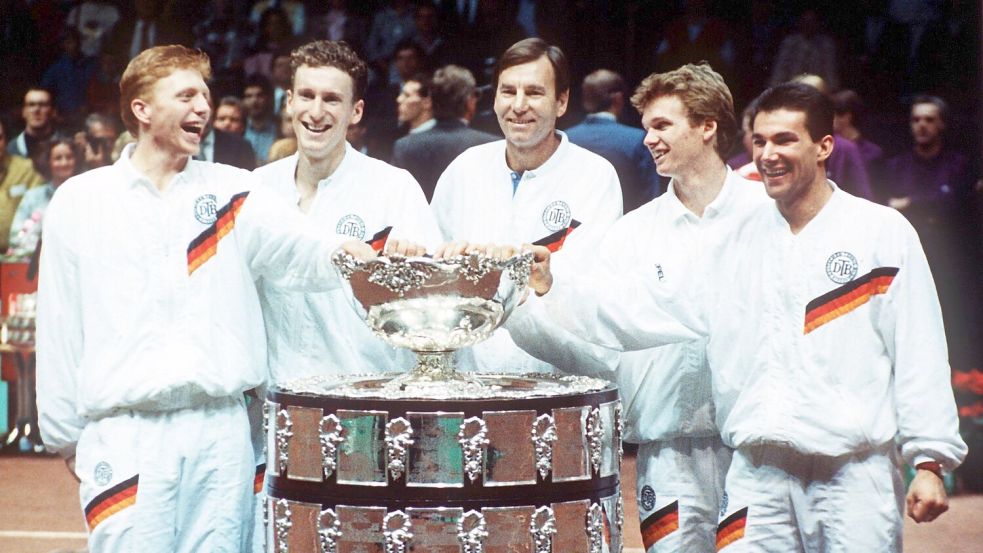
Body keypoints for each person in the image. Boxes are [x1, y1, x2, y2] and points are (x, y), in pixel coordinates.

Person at [524, 83, 967, 551]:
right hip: (757, 473)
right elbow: (647, 310)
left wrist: (929, 460)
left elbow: (920, 349)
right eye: (760, 141)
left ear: (824, 147)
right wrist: (555, 287)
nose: (769, 154)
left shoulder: (880, 232)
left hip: (855, 474)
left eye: (785, 140)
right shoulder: (734, 239)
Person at [35, 44, 374, 553]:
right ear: (142, 109)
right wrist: (65, 436)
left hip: (220, 431)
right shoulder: (82, 201)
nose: (203, 107)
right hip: (125, 433)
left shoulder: (234, 193)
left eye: (206, 95)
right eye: (187, 94)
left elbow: (302, 250)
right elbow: (59, 324)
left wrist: (351, 254)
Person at [504, 62, 767, 553]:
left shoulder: (767, 217)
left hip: (755, 452)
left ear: (708, 126)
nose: (648, 139)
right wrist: (533, 303)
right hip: (667, 455)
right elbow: (599, 338)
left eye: (662, 125)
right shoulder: (632, 233)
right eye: (646, 127)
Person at [430, 38, 623, 375]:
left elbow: (588, 299)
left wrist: (512, 283)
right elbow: (432, 282)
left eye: (534, 93)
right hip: (470, 383)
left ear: (561, 101)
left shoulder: (594, 177)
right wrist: (451, 266)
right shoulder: (464, 170)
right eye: (508, 91)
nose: (518, 106)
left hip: (556, 382)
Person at [391, 64, 496, 201]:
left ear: (432, 101)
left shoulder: (405, 146)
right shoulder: (492, 146)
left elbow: (396, 200)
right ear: (469, 100)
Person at [565, 68, 664, 213]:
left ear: (586, 100)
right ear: (618, 99)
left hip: (573, 230)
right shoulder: (638, 140)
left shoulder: (565, 139)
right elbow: (650, 199)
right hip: (626, 229)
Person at [7, 134, 82, 257]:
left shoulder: (85, 193)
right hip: (38, 260)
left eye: (69, 157)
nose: (64, 163)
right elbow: (17, 236)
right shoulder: (34, 197)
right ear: (48, 162)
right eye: (58, 158)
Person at [0, 117, 45, 252]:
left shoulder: (27, 169)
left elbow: (38, 212)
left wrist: (19, 246)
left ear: (6, 140)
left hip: (17, 255)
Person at [6, 87, 56, 160]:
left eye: (43, 105)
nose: (36, 110)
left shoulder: (69, 147)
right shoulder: (10, 150)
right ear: (23, 112)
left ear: (53, 112)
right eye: (31, 105)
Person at [242, 74, 277, 165]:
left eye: (259, 95)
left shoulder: (280, 127)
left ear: (268, 98)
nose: (254, 101)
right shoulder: (239, 127)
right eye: (249, 96)